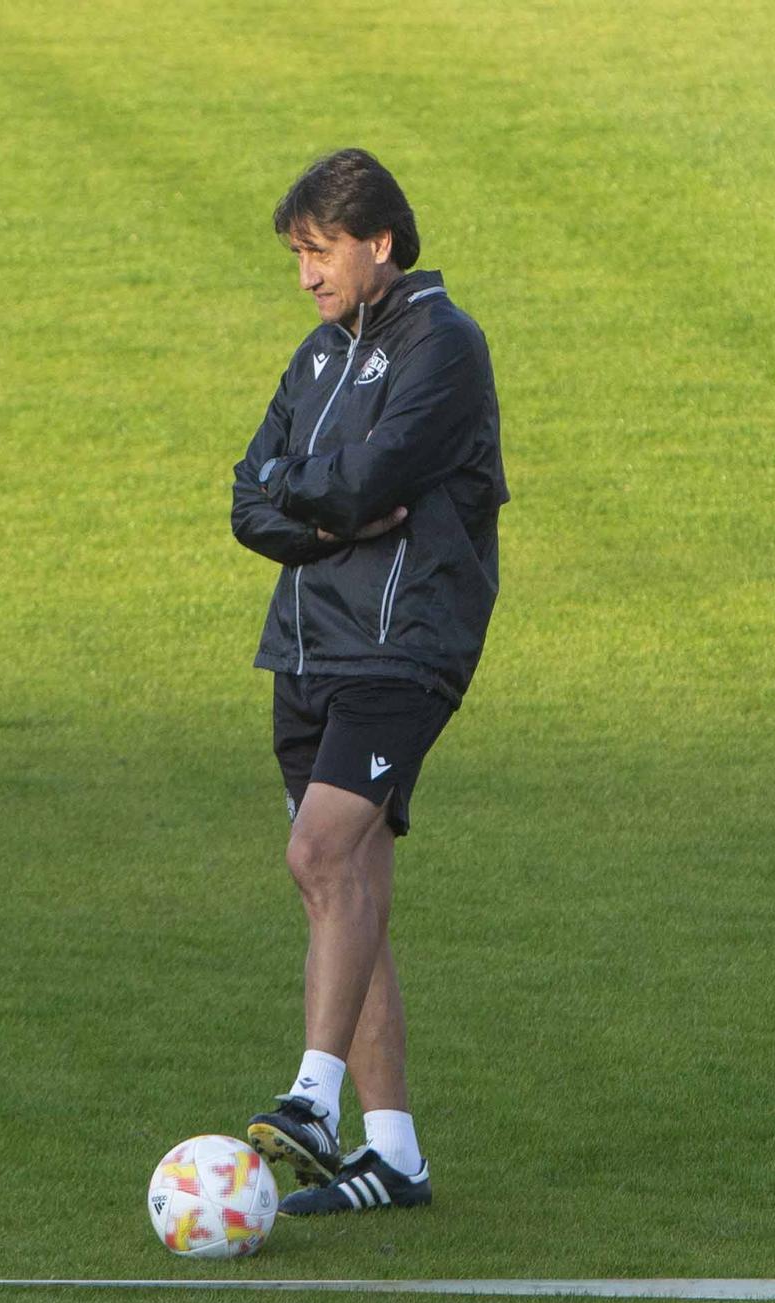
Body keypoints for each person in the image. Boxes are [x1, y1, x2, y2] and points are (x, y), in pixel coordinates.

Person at [229, 148, 507, 1216]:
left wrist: (309, 496)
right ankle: (392, 1156)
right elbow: (248, 500)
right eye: (295, 255)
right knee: (344, 892)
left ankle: (311, 1097)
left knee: (317, 850)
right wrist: (315, 506)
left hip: (402, 644)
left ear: (377, 243)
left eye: (316, 251)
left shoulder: (443, 347)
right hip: (304, 646)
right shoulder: (313, 359)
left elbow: (367, 483)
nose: (302, 274)